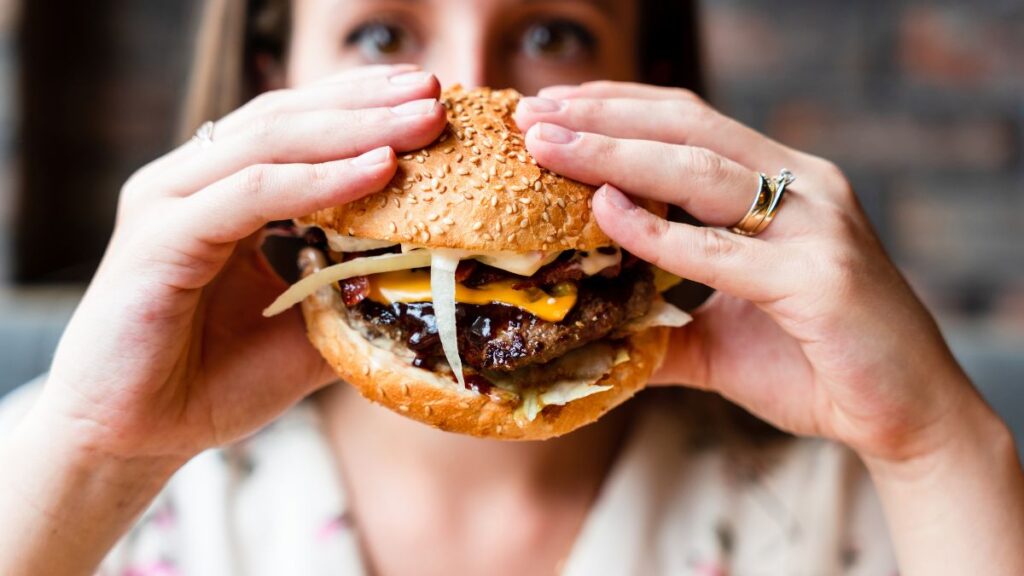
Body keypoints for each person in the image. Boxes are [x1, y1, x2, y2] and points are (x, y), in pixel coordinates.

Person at [1, 0, 1022, 574]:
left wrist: (934, 446)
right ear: (275, 86)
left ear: (653, 81)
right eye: (380, 36)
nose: (471, 101)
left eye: (547, 36)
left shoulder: (852, 514)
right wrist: (96, 459)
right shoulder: (106, 493)